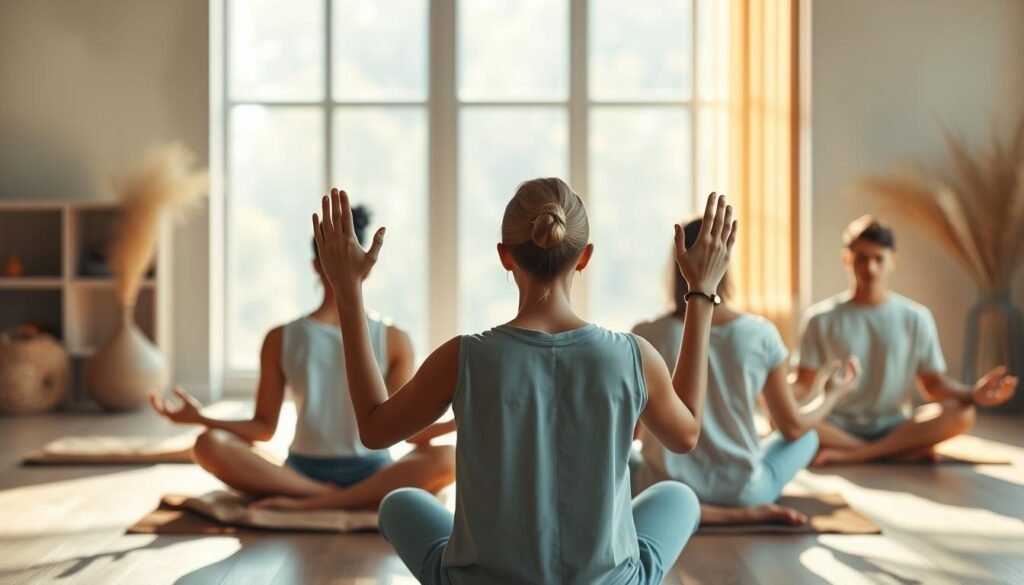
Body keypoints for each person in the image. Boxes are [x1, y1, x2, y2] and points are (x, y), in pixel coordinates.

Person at [312, 181, 735, 583]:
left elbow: (374, 428)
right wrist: (701, 292)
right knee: (680, 497)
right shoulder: (633, 355)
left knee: (398, 503)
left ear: (505, 255)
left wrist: (348, 290)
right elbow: (686, 435)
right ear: (584, 256)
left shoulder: (464, 356)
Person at [150, 206, 455, 510]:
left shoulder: (393, 338)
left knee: (448, 458)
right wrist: (201, 419)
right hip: (303, 471)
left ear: (315, 265)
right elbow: (264, 427)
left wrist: (459, 421)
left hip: (373, 470)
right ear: (366, 265)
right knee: (208, 444)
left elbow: (407, 430)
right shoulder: (281, 337)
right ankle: (336, 498)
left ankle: (311, 502)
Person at [633, 217, 860, 525]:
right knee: (807, 437)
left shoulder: (645, 335)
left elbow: (634, 432)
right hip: (742, 492)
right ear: (723, 264)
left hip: (666, 491)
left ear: (678, 263)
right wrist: (830, 394)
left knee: (631, 459)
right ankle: (737, 508)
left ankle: (700, 511)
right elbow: (791, 427)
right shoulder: (760, 333)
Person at [795, 215, 1017, 465]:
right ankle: (895, 452)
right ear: (847, 259)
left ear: (893, 261)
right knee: (782, 420)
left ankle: (856, 455)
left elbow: (932, 385)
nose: (870, 268)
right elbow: (802, 385)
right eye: (862, 258)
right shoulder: (819, 318)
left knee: (963, 413)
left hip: (896, 427)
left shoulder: (916, 317)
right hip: (836, 425)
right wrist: (771, 390)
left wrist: (972, 394)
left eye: (878, 259)